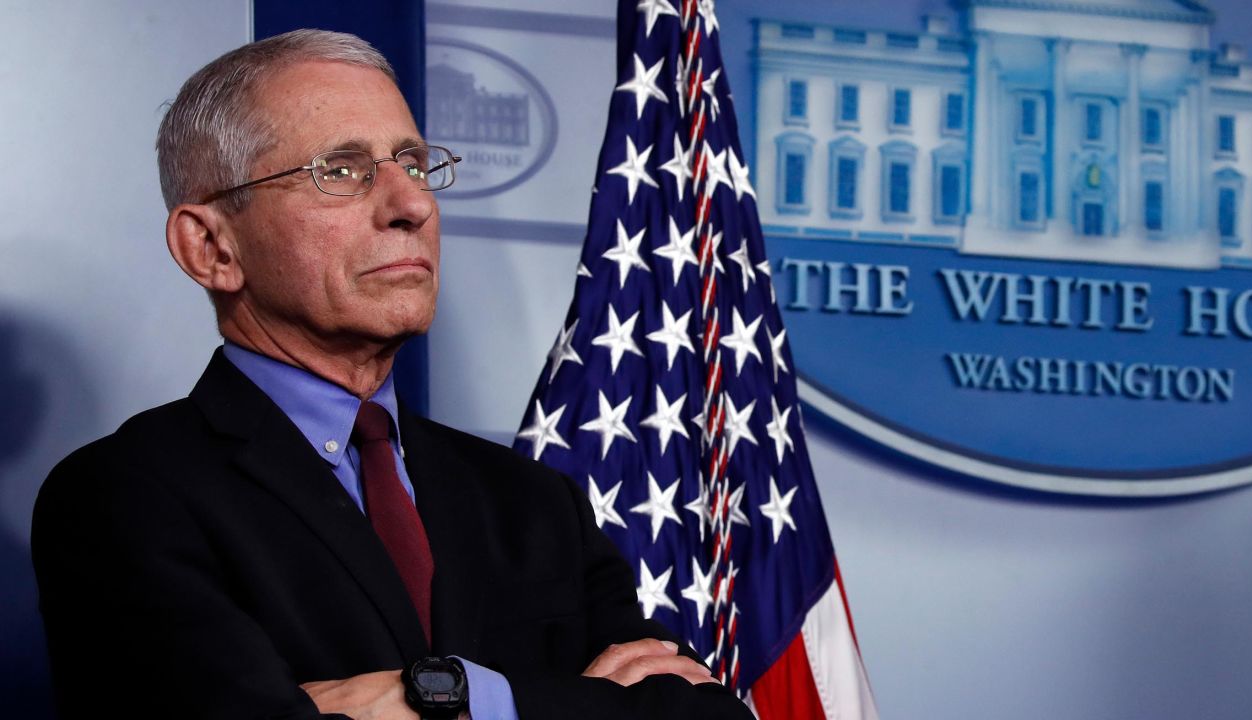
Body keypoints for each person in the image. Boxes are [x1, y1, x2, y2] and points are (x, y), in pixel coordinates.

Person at [31, 30, 752, 720]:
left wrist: (454, 696)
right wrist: (573, 703)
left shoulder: (533, 503)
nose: (412, 204)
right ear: (211, 246)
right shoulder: (124, 497)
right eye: (340, 170)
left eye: (413, 163)